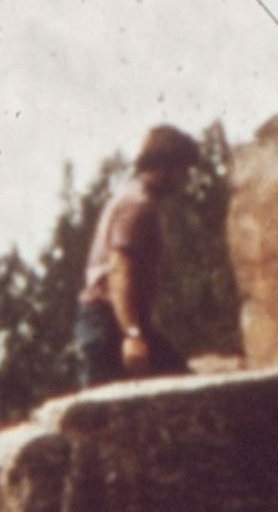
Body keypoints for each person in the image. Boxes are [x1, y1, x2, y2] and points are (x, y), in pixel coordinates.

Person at [73, 124, 201, 391]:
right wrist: (132, 334)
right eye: (183, 169)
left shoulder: (137, 198)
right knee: (104, 418)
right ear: (165, 167)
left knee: (180, 384)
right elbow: (120, 271)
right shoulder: (137, 205)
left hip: (114, 319)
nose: (185, 178)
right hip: (108, 323)